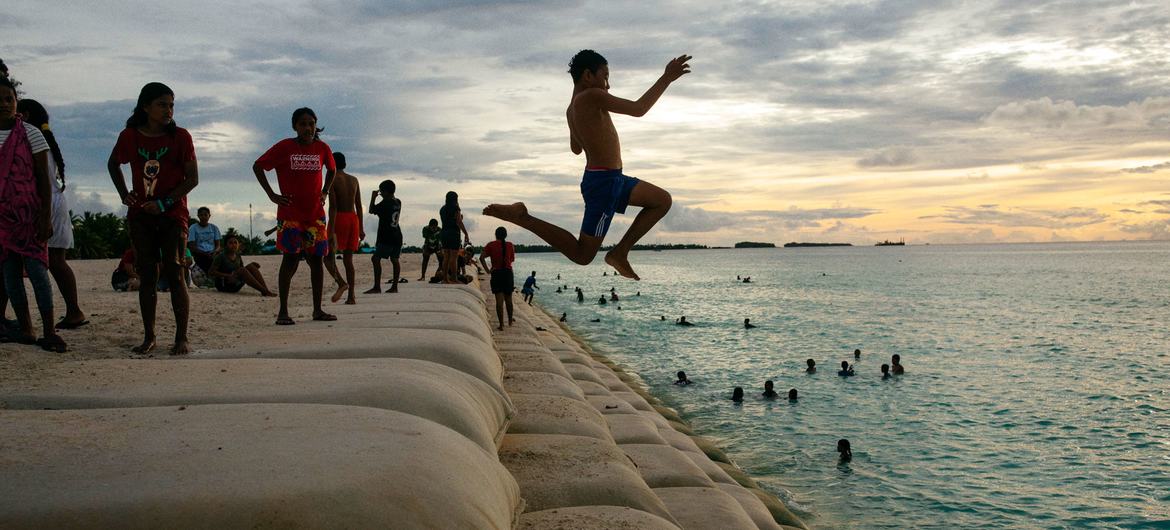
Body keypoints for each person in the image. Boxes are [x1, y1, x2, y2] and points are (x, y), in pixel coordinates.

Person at [483, 50, 690, 281]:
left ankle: (620, 253)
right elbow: (638, 109)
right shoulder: (591, 96)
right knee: (582, 254)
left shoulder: (572, 108)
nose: (608, 86)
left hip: (612, 178)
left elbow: (576, 148)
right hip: (604, 183)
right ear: (588, 76)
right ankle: (522, 216)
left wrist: (591, 125)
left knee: (662, 200)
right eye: (605, 77)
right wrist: (666, 78)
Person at [108, 82, 198, 355]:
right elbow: (113, 164)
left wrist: (164, 203)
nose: (168, 110)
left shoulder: (181, 137)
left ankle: (181, 337)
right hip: (140, 215)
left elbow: (192, 179)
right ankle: (149, 336)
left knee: (176, 270)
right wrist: (125, 194)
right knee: (147, 273)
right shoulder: (130, 136)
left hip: (173, 214)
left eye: (171, 105)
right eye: (162, 105)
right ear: (146, 107)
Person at [253, 107, 337, 325]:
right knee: (290, 260)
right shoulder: (285, 147)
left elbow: (332, 169)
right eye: (303, 124)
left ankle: (317, 310)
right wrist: (272, 195)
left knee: (316, 260)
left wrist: (325, 191)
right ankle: (283, 311)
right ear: (295, 127)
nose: (308, 128)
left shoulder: (322, 148)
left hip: (315, 215)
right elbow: (258, 166)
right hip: (290, 214)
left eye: (311, 123)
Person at [0, 78, 63, 351]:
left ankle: (49, 330)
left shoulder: (31, 134)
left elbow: (43, 179)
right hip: (2, 221)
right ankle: (26, 328)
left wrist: (45, 216)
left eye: (9, 99)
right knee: (10, 275)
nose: (4, 104)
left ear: (16, 103)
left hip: (29, 217)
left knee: (38, 272)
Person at [16, 99, 87, 330]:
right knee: (57, 261)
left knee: (50, 261)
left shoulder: (32, 138)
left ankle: (73, 311)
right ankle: (73, 310)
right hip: (54, 202)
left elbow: (39, 178)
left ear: (25, 115)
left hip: (46, 203)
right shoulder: (43, 139)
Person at [324, 152, 363, 304]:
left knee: (328, 258)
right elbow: (359, 206)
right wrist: (361, 228)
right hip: (353, 219)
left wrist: (331, 230)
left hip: (339, 219)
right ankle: (351, 296)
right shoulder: (354, 180)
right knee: (348, 260)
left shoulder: (332, 179)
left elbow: (333, 207)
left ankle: (341, 283)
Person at [365, 179, 402, 295]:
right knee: (395, 260)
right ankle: (394, 287)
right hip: (397, 235)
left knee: (375, 259)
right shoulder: (398, 202)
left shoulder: (386, 203)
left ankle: (377, 287)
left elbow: (371, 210)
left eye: (381, 192)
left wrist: (373, 197)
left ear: (386, 192)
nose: (380, 194)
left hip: (387, 236)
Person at [208, 235, 274, 296]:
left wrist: (252, 267)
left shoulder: (237, 255)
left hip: (235, 283)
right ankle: (264, 291)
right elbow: (211, 272)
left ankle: (265, 290)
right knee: (243, 269)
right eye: (230, 243)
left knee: (251, 266)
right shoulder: (221, 256)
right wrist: (228, 275)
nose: (233, 245)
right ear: (225, 245)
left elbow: (241, 270)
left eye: (235, 243)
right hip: (224, 285)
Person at [482, 226, 516, 331]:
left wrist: (488, 271)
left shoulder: (491, 245)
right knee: (509, 299)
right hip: (508, 273)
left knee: (499, 301)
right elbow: (511, 260)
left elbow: (481, 258)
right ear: (505, 235)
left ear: (496, 235)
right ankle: (510, 320)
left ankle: (501, 325)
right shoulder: (510, 245)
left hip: (496, 273)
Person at [439, 191, 470, 284]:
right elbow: (459, 221)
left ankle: (445, 279)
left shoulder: (442, 209)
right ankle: (454, 278)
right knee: (454, 257)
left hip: (444, 233)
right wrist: (466, 233)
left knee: (446, 257)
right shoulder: (456, 208)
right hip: (454, 233)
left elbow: (447, 220)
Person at [186, 206, 221, 273]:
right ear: (198, 216)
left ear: (209, 216)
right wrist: (204, 253)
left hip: (213, 254)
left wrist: (214, 251)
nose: (203, 217)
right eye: (201, 215)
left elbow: (218, 245)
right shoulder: (193, 228)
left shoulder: (214, 228)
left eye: (205, 215)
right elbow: (192, 246)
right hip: (199, 254)